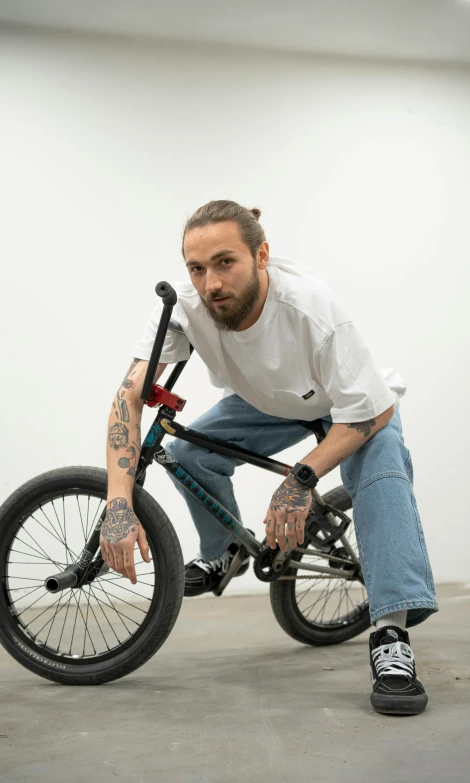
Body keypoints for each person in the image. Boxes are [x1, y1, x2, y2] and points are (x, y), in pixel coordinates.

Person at [102, 200, 438, 716]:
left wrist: (301, 478)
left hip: (351, 407)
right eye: (197, 268)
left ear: (261, 255)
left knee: (381, 474)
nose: (211, 283)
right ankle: (224, 552)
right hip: (266, 400)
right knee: (188, 451)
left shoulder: (312, 310)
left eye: (225, 262)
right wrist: (119, 504)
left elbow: (374, 410)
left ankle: (391, 635)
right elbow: (129, 397)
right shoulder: (184, 308)